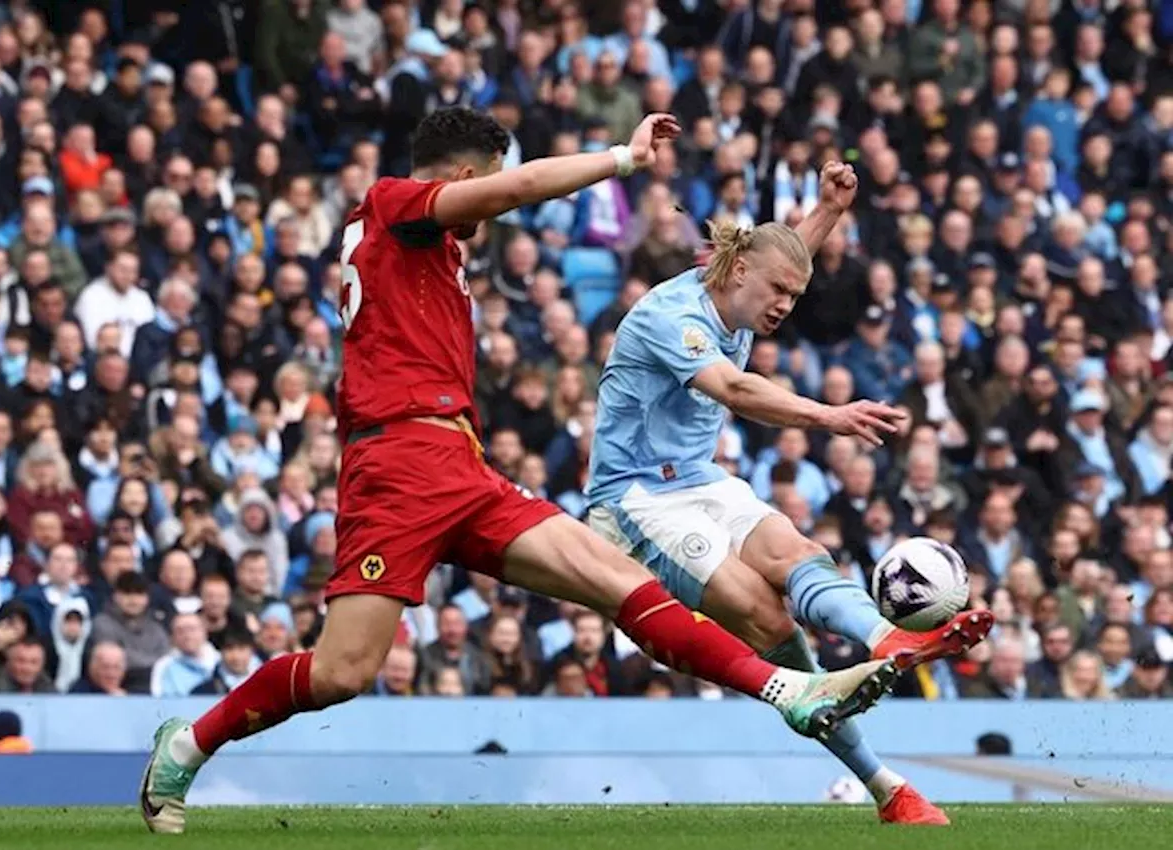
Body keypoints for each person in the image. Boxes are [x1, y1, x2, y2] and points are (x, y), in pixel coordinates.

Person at [139, 108, 898, 834]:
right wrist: (622, 160)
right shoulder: (391, 204)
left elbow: (758, 271)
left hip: (458, 461)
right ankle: (190, 743)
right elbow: (515, 189)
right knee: (341, 672)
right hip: (395, 466)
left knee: (614, 577)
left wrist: (821, 217)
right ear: (463, 174)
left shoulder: (431, 253)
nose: (490, 209)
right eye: (484, 184)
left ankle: (787, 688)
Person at [583, 161, 994, 824]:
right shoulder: (672, 315)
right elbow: (738, 392)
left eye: (794, 299)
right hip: (633, 502)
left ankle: (886, 642)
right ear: (739, 273)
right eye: (779, 292)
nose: (784, 307)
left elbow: (784, 256)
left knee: (796, 551)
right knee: (767, 619)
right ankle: (882, 780)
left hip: (699, 478)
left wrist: (829, 210)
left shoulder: (745, 289)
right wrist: (829, 415)